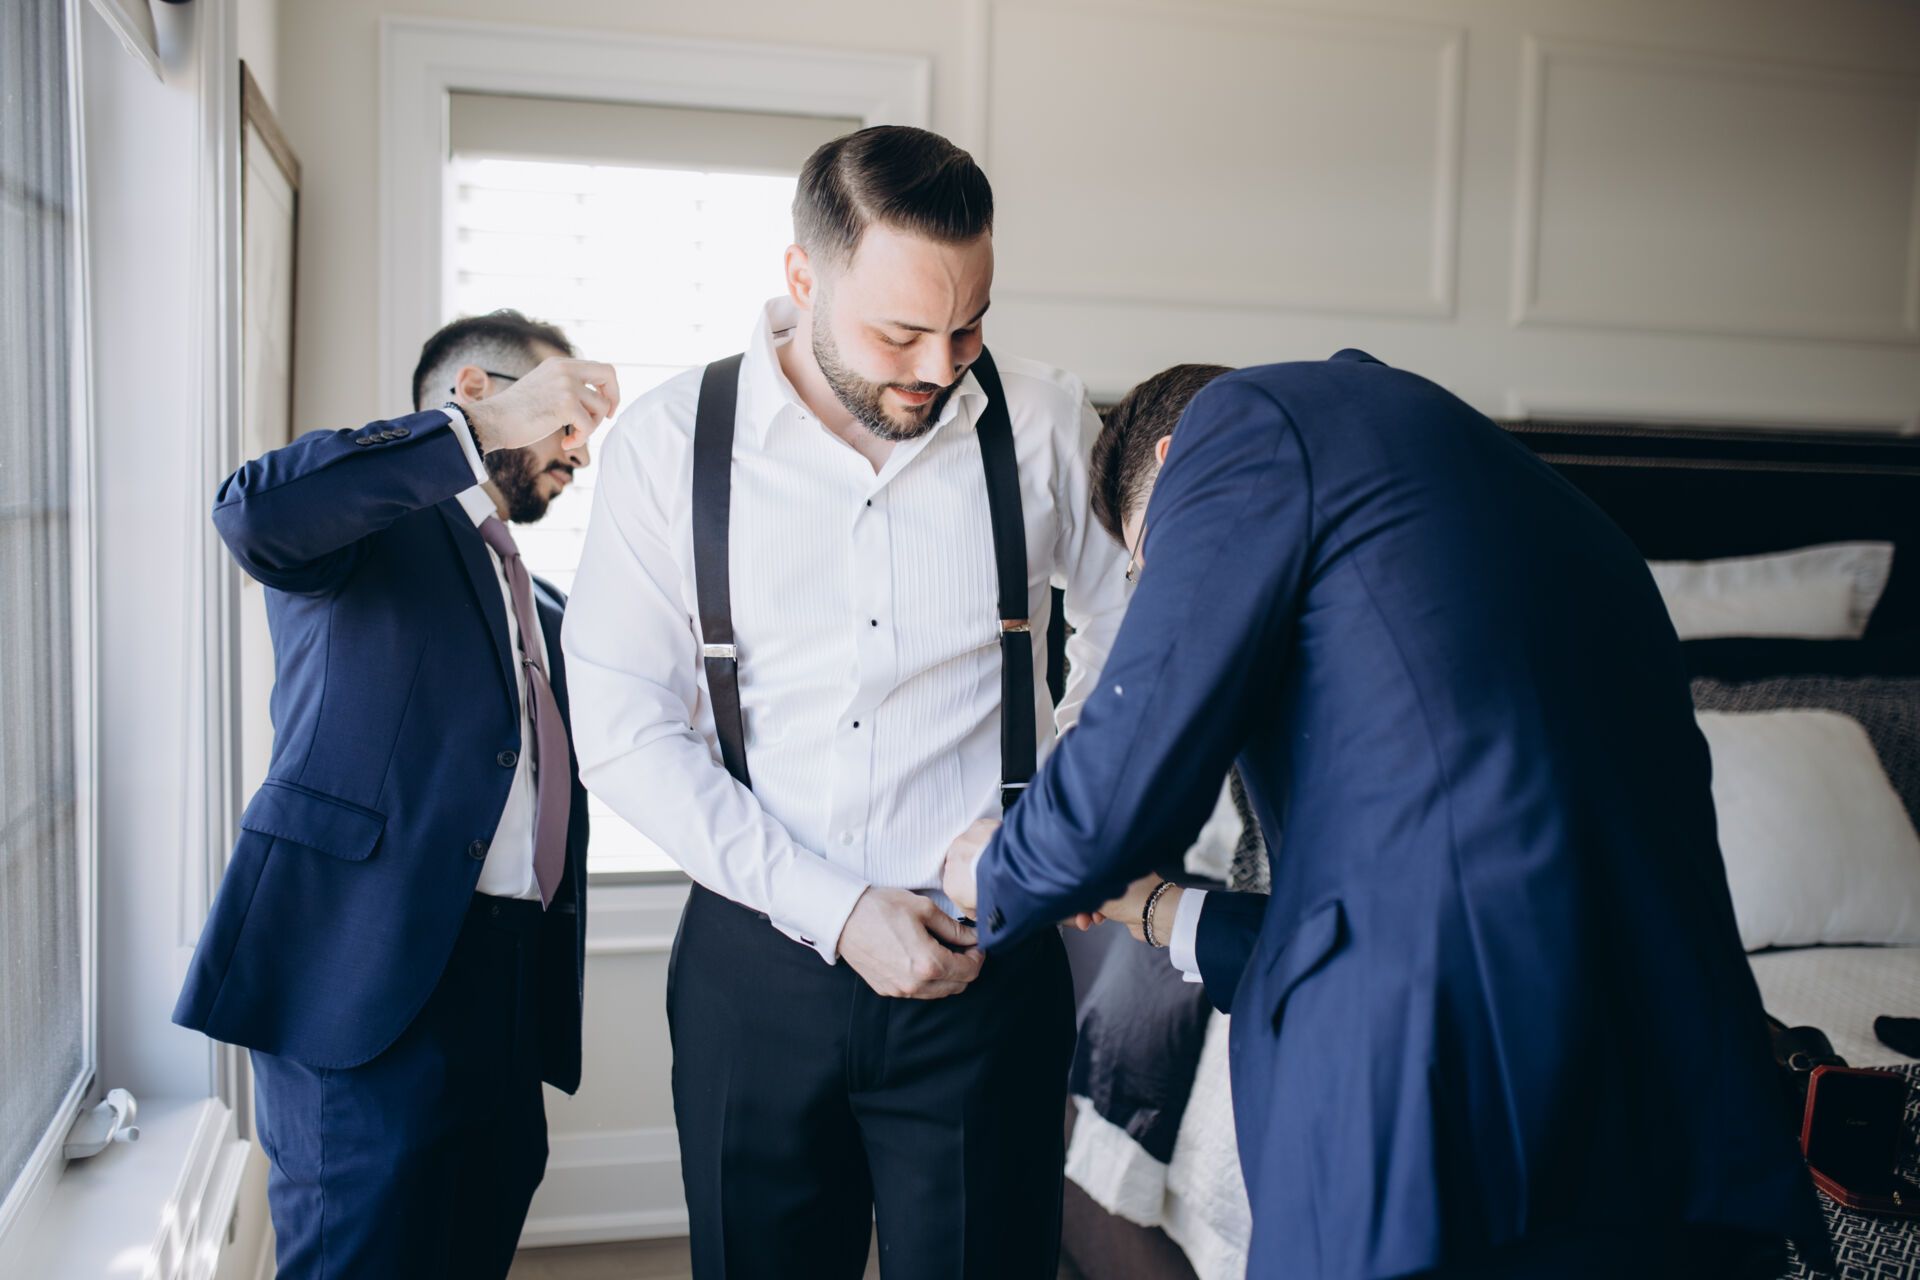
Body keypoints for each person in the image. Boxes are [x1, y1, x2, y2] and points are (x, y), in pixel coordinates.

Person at [944, 355, 1829, 1279]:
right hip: (1669, 1128)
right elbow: (1414, 899)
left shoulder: (1236, 426)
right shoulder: (1526, 505)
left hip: (1439, 1125)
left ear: (1175, 460)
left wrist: (1000, 868)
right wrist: (1157, 908)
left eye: (1148, 564)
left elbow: (1123, 782)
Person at [562, 126, 1130, 1279]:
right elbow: (620, 727)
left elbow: (1143, 635)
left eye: (968, 326)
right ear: (803, 277)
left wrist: (1055, 811)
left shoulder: (1043, 422)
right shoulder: (670, 444)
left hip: (988, 970)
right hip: (755, 966)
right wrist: (833, 907)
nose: (939, 365)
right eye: (899, 332)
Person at [173, 311, 619, 1279]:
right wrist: (478, 433)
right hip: (367, 982)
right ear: (475, 391)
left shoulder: (541, 606)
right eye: (565, 421)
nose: (578, 452)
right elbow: (250, 513)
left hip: (509, 987)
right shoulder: (366, 530)